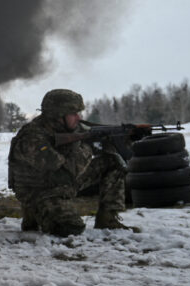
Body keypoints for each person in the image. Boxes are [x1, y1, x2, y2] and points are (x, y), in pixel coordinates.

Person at [8, 88, 131, 236]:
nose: (78, 118)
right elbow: (65, 173)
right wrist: (86, 148)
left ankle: (108, 219)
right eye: (73, 114)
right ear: (58, 115)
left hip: (59, 185)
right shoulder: (32, 137)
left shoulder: (70, 129)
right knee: (70, 228)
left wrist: (114, 140)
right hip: (38, 192)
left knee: (112, 162)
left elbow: (88, 140)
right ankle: (33, 212)